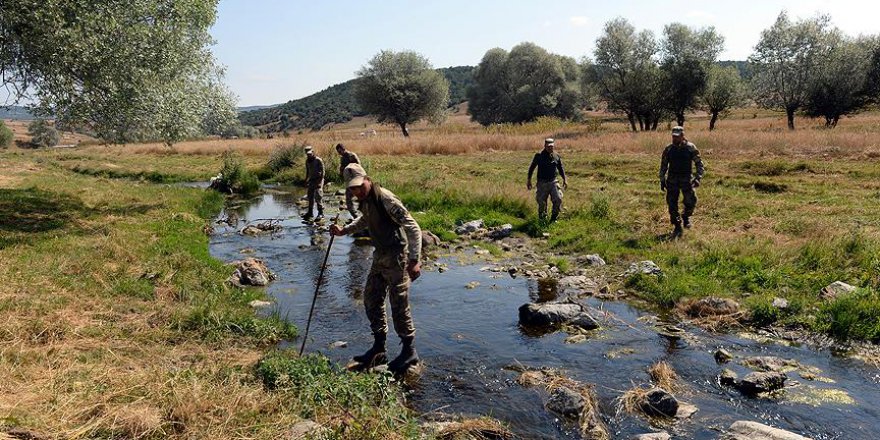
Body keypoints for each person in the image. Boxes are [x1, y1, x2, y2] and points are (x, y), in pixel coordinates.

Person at [330, 163, 422, 374]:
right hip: (379, 255)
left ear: (367, 180)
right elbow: (365, 220)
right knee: (371, 298)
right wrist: (344, 231)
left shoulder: (385, 198)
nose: (357, 191)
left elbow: (413, 227)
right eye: (353, 188)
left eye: (360, 186)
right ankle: (379, 348)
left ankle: (409, 352)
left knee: (399, 304)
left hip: (397, 257)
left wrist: (414, 260)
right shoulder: (366, 200)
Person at [659, 126, 705, 238]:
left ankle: (686, 217)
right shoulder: (669, 149)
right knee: (672, 204)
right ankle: (677, 225)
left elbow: (699, 164)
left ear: (682, 136)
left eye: (677, 136)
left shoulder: (690, 148)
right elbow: (664, 164)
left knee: (691, 201)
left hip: (687, 180)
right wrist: (662, 179)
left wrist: (698, 177)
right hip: (672, 180)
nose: (675, 139)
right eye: (673, 136)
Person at [527, 138, 567, 222]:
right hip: (542, 183)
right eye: (548, 146)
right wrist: (529, 180)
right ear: (544, 146)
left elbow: (560, 168)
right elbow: (532, 168)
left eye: (551, 146)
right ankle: (542, 219)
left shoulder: (556, 156)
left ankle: (554, 218)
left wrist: (564, 179)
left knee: (558, 199)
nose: (550, 148)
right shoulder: (539, 156)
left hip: (553, 181)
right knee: (542, 202)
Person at [335, 143, 361, 220]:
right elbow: (342, 168)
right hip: (349, 181)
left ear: (343, 149)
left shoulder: (351, 156)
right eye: (338, 152)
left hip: (356, 180)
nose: (339, 153)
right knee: (349, 201)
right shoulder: (342, 158)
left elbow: (358, 167)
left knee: (360, 199)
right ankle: (356, 217)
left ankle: (361, 217)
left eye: (340, 151)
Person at [303, 146, 324, 220]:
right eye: (307, 154)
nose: (309, 155)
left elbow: (323, 172)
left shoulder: (318, 160)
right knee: (310, 196)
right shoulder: (307, 161)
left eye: (310, 154)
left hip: (319, 179)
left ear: (313, 153)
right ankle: (310, 212)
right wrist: (306, 180)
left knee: (318, 196)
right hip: (311, 180)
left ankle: (320, 213)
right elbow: (308, 171)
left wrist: (320, 182)